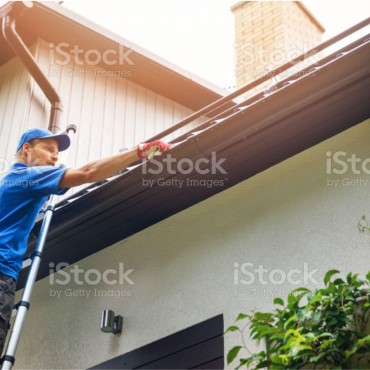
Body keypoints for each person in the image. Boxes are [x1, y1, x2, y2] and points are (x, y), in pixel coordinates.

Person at [0, 127, 170, 356]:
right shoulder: (28, 177)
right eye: (48, 149)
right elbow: (88, 172)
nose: (55, 156)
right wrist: (138, 152)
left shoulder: (10, 181)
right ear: (27, 149)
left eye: (57, 153)